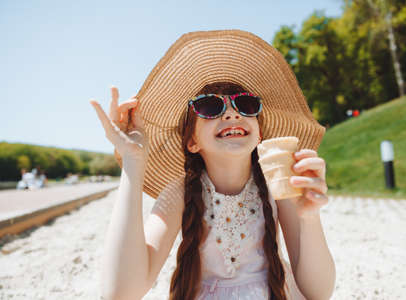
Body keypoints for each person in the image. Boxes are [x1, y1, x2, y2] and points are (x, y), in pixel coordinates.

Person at [90, 29, 335, 300]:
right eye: (208, 106)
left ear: (260, 133)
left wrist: (310, 218)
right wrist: (133, 162)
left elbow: (318, 293)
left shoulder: (279, 185)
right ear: (192, 141)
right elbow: (120, 293)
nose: (231, 112)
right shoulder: (180, 193)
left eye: (246, 103)